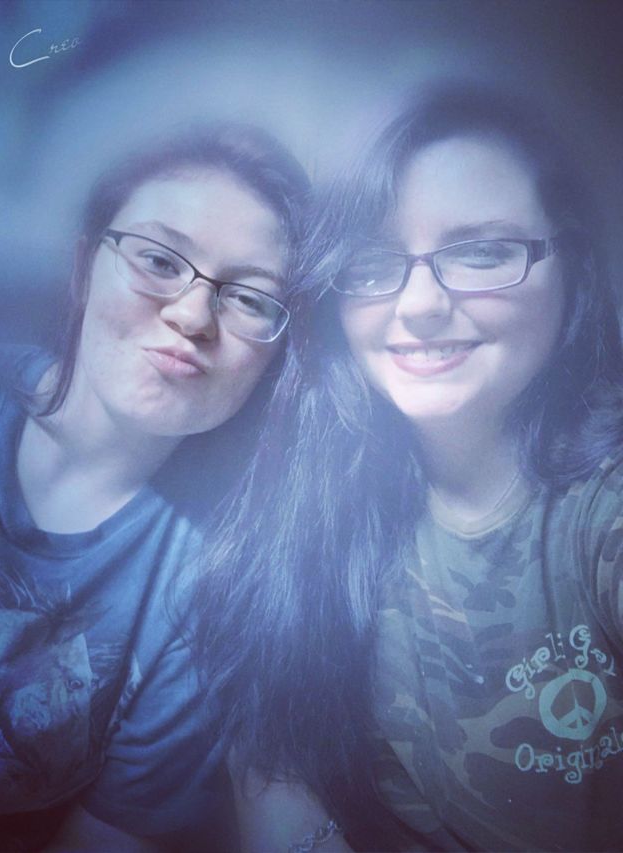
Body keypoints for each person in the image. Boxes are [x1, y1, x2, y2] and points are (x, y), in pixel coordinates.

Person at [193, 84, 623, 851]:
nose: (420, 304)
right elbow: (276, 772)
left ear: (573, 268)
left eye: (481, 251)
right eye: (373, 263)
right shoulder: (306, 508)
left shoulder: (601, 509)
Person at [0, 123, 309, 851]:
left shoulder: (212, 587)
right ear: (83, 269)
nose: (192, 317)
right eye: (159, 261)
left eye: (250, 299)